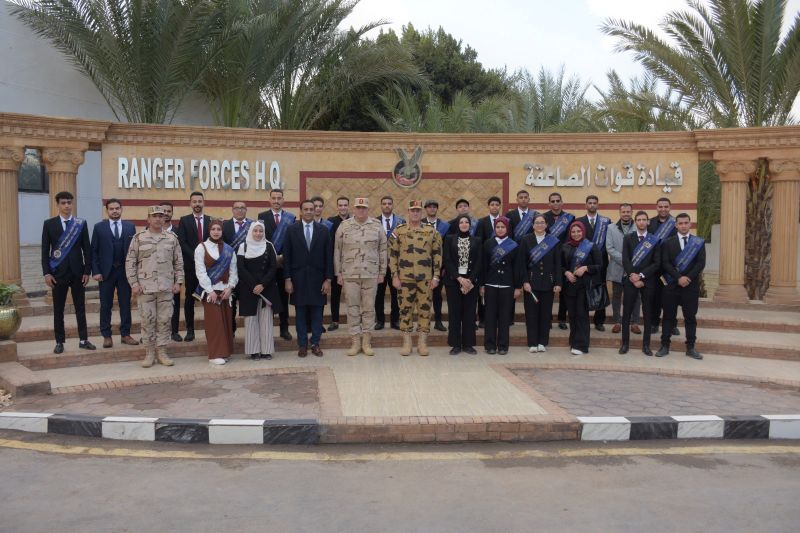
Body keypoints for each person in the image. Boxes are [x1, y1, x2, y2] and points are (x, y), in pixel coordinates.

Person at [125, 206, 184, 367]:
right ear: (148, 219)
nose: (158, 219)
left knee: (164, 320)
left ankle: (162, 352)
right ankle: (149, 353)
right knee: (147, 321)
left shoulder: (171, 238)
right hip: (145, 288)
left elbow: (178, 262)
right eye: (154, 216)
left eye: (161, 216)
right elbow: (130, 262)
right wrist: (134, 284)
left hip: (166, 288)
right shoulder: (139, 238)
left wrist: (178, 282)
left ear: (164, 219)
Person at [41, 190, 95, 354]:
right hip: (58, 274)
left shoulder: (80, 224)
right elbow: (45, 251)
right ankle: (59, 342)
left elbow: (87, 249)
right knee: (58, 310)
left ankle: (83, 340)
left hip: (78, 273)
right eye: (63, 203)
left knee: (80, 308)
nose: (67, 206)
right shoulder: (49, 224)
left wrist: (87, 271)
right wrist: (47, 273)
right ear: (58, 205)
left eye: (69, 203)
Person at [334, 197, 387, 356]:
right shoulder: (344, 226)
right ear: (354, 209)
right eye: (358, 207)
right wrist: (338, 273)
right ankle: (355, 342)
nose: (361, 210)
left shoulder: (377, 226)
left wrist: (382, 272)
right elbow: (337, 250)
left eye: (364, 208)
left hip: (371, 274)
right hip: (350, 274)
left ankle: (366, 342)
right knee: (352, 308)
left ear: (368, 209)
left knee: (369, 308)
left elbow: (383, 250)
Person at [390, 200, 442, 356]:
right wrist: (394, 276)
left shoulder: (431, 232)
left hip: (425, 279)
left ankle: (422, 343)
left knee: (425, 310)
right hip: (404, 279)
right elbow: (392, 255)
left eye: (418, 210)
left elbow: (437, 255)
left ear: (422, 213)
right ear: (408, 212)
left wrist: (436, 276)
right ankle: (407, 343)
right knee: (405, 310)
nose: (415, 213)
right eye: (412, 210)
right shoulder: (399, 231)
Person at [283, 200, 333, 357]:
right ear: (301, 211)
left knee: (318, 314)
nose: (309, 211)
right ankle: (302, 345)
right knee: (300, 315)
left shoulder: (323, 230)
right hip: (298, 280)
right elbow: (287, 257)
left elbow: (329, 256)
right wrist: (287, 279)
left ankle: (316, 343)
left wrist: (328, 279)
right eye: (306, 209)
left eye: (312, 209)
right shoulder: (291, 230)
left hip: (318, 280)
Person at [656, 213, 705, 360]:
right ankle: (665, 346)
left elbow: (700, 263)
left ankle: (690, 347)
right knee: (668, 317)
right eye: (680, 223)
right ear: (676, 225)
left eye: (686, 223)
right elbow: (665, 263)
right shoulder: (667, 243)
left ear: (690, 224)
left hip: (690, 286)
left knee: (690, 318)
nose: (683, 226)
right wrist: (679, 278)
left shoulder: (698, 243)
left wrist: (687, 278)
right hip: (672, 286)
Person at [90, 198, 138, 348]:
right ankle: (106, 335)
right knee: (106, 305)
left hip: (124, 272)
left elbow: (134, 251)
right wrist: (96, 271)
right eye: (111, 209)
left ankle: (125, 334)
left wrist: (134, 272)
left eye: (117, 208)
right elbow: (94, 251)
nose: (115, 211)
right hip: (106, 273)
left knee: (125, 304)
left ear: (121, 209)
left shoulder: (130, 227)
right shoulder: (99, 227)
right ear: (107, 211)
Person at [195, 218, 238, 365]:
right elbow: (200, 272)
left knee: (225, 322)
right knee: (214, 323)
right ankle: (214, 355)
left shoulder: (229, 249)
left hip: (225, 291)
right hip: (210, 292)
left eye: (218, 229)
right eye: (213, 229)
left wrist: (230, 288)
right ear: (209, 230)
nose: (216, 232)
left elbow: (233, 271)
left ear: (222, 231)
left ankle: (224, 352)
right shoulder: (201, 248)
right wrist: (209, 290)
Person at [236, 221, 282, 360]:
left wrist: (262, 284)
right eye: (255, 231)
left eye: (261, 231)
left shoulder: (269, 246)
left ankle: (266, 350)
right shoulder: (243, 246)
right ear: (251, 231)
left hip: (266, 289)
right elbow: (241, 268)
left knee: (266, 321)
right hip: (248, 289)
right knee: (251, 320)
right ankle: (254, 351)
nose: (258, 233)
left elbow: (273, 268)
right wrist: (254, 285)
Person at [619, 211, 662, 356]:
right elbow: (625, 259)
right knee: (626, 313)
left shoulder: (654, 240)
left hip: (647, 281)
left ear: (648, 222)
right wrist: (633, 275)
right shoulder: (628, 238)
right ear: (635, 222)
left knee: (648, 313)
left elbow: (656, 263)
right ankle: (625, 344)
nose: (642, 222)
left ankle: (646, 345)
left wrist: (641, 276)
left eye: (644, 219)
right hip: (631, 280)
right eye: (639, 219)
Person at [257, 189, 295, 341]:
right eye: (274, 198)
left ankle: (284, 328)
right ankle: (267, 330)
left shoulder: (290, 218)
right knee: (268, 298)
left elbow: (291, 240)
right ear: (269, 200)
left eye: (279, 198)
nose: (276, 201)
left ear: (283, 200)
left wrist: (283, 257)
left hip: (285, 264)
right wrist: (273, 258)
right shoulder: (262, 217)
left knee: (284, 297)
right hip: (268, 265)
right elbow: (260, 239)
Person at [520, 214, 561, 352]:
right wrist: (525, 281)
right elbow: (522, 263)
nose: (539, 225)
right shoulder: (526, 240)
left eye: (542, 222)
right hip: (531, 284)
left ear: (546, 225)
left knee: (545, 314)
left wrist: (558, 282)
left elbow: (558, 263)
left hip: (548, 283)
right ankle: (532, 343)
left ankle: (543, 342)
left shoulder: (553, 241)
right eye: (537, 222)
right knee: (531, 314)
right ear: (533, 225)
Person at [559, 221, 602, 356]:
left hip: (585, 287)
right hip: (569, 287)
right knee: (572, 315)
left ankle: (582, 345)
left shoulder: (591, 246)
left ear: (583, 232)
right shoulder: (565, 247)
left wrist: (586, 268)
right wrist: (566, 272)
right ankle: (574, 341)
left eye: (579, 231)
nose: (576, 234)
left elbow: (600, 266)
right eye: (573, 231)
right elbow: (559, 266)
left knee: (582, 315)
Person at [481, 217, 522, 355]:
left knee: (505, 317)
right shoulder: (488, 243)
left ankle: (503, 346)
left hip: (507, 285)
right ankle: (490, 345)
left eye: (502, 227)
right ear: (494, 228)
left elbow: (517, 267)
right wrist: (482, 285)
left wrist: (517, 287)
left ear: (507, 228)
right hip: (490, 284)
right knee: (490, 316)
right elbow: (484, 266)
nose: (500, 229)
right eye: (497, 227)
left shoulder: (513, 245)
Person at [443, 215, 482, 355]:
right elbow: (447, 260)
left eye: (467, 222)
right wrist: (459, 278)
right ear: (457, 224)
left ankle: (468, 344)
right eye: (461, 222)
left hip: (471, 283)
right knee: (454, 314)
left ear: (470, 225)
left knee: (469, 314)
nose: (464, 224)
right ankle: (455, 345)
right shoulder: (449, 239)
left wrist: (470, 280)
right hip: (454, 281)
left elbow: (479, 262)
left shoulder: (477, 240)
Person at [176, 191, 210, 342]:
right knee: (189, 300)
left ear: (204, 203)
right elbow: (182, 243)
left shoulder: (210, 220)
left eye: (199, 201)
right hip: (191, 268)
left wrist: (206, 260)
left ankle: (210, 330)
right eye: (194, 201)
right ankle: (190, 330)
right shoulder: (184, 221)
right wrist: (197, 258)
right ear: (190, 203)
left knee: (209, 299)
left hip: (209, 268)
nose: (197, 204)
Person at [606, 203, 642, 335]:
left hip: (634, 268)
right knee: (616, 295)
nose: (626, 214)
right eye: (623, 212)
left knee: (636, 296)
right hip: (617, 267)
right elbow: (609, 248)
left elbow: (641, 247)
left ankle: (635, 323)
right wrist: (625, 260)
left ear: (632, 212)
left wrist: (630, 263)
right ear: (619, 213)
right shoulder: (611, 228)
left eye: (628, 212)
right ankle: (617, 322)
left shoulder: (638, 226)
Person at [577, 195, 611, 332]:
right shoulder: (578, 221)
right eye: (590, 203)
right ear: (586, 205)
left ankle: (599, 321)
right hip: (583, 261)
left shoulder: (606, 221)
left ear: (598, 205)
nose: (592, 205)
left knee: (600, 289)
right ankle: (582, 318)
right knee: (582, 290)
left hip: (600, 262)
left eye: (594, 203)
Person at [544, 192, 575, 330]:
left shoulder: (570, 218)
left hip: (565, 256)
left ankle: (562, 318)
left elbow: (572, 236)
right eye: (553, 201)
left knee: (564, 290)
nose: (555, 203)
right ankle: (547, 318)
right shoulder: (543, 217)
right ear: (549, 203)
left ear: (562, 202)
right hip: (547, 256)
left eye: (558, 201)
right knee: (548, 289)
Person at [648, 197, 678, 335]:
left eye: (666, 206)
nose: (663, 209)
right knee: (655, 297)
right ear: (656, 207)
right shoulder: (650, 223)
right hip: (655, 267)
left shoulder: (676, 223)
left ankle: (672, 325)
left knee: (671, 298)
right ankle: (654, 323)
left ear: (670, 207)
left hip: (670, 267)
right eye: (660, 206)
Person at [222, 200, 253, 336]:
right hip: (230, 270)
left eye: (242, 208)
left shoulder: (253, 225)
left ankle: (251, 333)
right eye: (237, 208)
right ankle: (231, 331)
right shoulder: (224, 226)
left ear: (246, 210)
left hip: (248, 270)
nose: (239, 210)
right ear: (232, 210)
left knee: (248, 302)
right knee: (231, 302)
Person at [375, 195, 404, 330]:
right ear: (381, 206)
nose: (387, 205)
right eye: (384, 203)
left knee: (395, 294)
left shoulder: (401, 221)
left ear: (392, 205)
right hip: (378, 264)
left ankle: (395, 320)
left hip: (395, 264)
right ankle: (380, 321)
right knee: (379, 294)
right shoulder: (374, 222)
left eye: (389, 203)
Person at [423, 199, 449, 332]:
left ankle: (438, 321)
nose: (432, 209)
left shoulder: (445, 226)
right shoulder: (419, 223)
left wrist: (443, 267)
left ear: (437, 209)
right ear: (425, 209)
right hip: (422, 266)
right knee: (423, 295)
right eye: (429, 207)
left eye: (434, 207)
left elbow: (447, 248)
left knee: (437, 295)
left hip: (439, 267)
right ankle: (424, 322)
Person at [159, 201, 183, 342]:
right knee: (155, 305)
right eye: (163, 211)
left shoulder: (178, 231)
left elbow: (180, 256)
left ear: (172, 213)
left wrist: (179, 279)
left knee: (175, 304)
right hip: (155, 276)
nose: (166, 213)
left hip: (173, 275)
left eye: (169, 211)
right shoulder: (149, 230)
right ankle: (154, 333)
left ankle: (174, 331)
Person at [326, 196, 351, 332]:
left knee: (353, 296)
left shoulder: (354, 221)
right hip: (336, 263)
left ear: (349, 206)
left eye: (345, 205)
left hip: (352, 264)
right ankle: (334, 321)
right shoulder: (330, 222)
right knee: (335, 295)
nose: (343, 208)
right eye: (340, 205)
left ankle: (353, 321)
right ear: (337, 207)